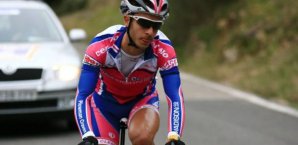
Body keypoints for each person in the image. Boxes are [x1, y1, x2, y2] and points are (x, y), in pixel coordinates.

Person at [75, 0, 186, 145]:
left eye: (156, 25)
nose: (150, 32)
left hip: (142, 102)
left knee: (142, 137)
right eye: (144, 23)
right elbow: (83, 94)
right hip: (103, 106)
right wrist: (87, 135)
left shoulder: (163, 48)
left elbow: (175, 95)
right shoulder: (100, 45)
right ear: (127, 19)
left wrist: (174, 136)